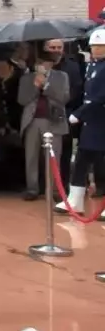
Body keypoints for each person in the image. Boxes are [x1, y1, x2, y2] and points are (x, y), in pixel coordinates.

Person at [20, 50, 70, 203]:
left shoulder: (62, 77)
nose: (41, 66)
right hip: (32, 121)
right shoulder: (26, 78)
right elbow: (22, 100)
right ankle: (32, 188)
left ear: (51, 64)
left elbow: (64, 98)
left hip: (53, 121)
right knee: (31, 157)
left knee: (54, 157)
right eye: (39, 63)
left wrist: (46, 86)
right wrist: (35, 87)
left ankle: (55, 189)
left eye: (44, 63)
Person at [66, 28, 105, 221]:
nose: (96, 50)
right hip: (91, 123)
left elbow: (99, 97)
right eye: (94, 46)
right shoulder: (93, 66)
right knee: (81, 161)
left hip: (101, 121)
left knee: (103, 164)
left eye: (100, 47)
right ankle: (75, 200)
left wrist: (80, 114)